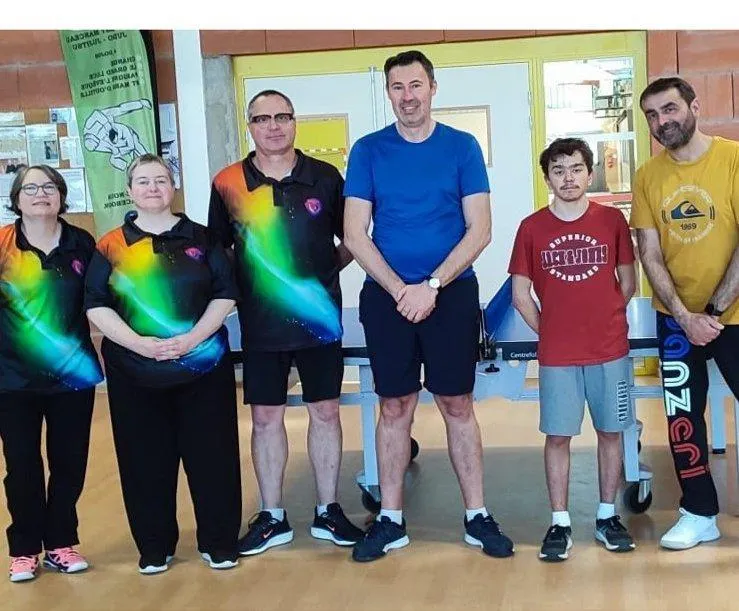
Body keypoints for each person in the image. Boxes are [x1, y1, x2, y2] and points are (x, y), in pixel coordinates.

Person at [343, 49, 513, 563]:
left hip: (451, 293)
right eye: (397, 87)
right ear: (388, 93)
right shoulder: (368, 150)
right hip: (387, 296)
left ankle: (477, 515)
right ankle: (390, 519)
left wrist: (433, 285)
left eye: (416, 85)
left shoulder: (462, 147)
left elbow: (480, 229)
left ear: (433, 88)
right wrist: (401, 290)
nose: (408, 96)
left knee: (456, 404)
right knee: (394, 406)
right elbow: (355, 233)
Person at [208, 89, 363, 556]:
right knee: (265, 417)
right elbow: (220, 252)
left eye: (282, 117)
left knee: (326, 411)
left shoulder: (326, 177)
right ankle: (272, 516)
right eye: (262, 119)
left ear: (295, 122)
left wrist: (322, 274)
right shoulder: (227, 182)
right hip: (261, 323)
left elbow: (353, 238)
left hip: (319, 319)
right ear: (249, 126)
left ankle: (328, 510)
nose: (273, 126)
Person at [85, 154, 242, 573]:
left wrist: (192, 338)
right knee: (143, 461)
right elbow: (96, 304)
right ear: (130, 190)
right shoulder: (110, 245)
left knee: (213, 457)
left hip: (203, 365)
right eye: (143, 181)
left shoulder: (203, 238)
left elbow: (225, 293)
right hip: (134, 372)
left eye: (160, 180)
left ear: (173, 187)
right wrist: (139, 344)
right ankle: (155, 547)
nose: (152, 188)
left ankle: (219, 542)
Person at [509, 138, 637, 561]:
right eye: (559, 170)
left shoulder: (612, 221)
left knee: (611, 432)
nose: (568, 177)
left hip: (609, 350)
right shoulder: (531, 228)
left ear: (590, 173)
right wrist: (551, 331)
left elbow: (628, 281)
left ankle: (606, 516)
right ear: (547, 178)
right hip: (558, 356)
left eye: (577, 168)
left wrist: (604, 321)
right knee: (558, 435)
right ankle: (560, 522)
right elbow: (521, 295)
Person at [631, 76, 739, 550]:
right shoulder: (647, 176)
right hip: (675, 319)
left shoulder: (733, 158)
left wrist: (711, 312)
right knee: (682, 418)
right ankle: (698, 511)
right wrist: (682, 313)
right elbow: (649, 253)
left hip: (733, 315)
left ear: (694, 107)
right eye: (652, 115)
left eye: (670, 109)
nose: (662, 121)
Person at [0, 165, 104, 582]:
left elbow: (100, 301)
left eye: (49, 187)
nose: (40, 194)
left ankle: (61, 543)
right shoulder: (3, 244)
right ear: (16, 198)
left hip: (72, 376)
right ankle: (24, 549)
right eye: (31, 188)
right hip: (12, 379)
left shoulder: (83, 243)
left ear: (61, 195)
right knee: (22, 464)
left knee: (69, 462)